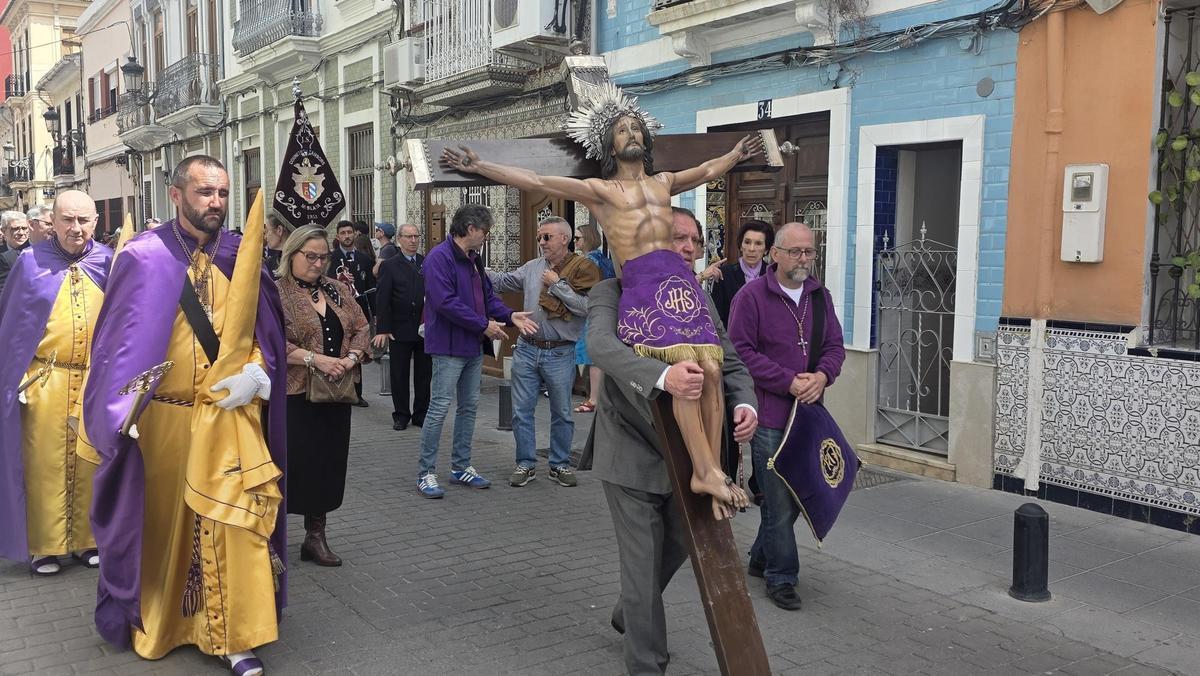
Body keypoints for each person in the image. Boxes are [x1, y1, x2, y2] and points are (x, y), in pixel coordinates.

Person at [442, 84, 760, 519]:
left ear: (645, 140)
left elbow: (707, 171)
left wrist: (735, 156)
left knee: (710, 365)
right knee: (685, 370)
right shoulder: (600, 190)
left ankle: (712, 468)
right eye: (622, 129)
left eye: (636, 128)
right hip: (641, 285)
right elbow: (535, 180)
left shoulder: (664, 182)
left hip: (675, 279)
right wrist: (481, 166)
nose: (630, 132)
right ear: (610, 143)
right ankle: (702, 469)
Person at [84, 155, 287, 676]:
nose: (216, 203)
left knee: (231, 527)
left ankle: (233, 636)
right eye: (204, 192)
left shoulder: (243, 254)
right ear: (176, 196)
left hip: (229, 419)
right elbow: (115, 346)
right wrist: (117, 414)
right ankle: (165, 623)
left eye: (222, 193)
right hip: (166, 425)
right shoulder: (144, 258)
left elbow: (264, 336)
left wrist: (258, 376)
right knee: (163, 530)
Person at [585, 208, 758, 675]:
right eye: (674, 238)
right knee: (641, 563)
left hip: (690, 459)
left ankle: (629, 612)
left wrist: (746, 405)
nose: (684, 247)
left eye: (693, 241)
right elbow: (601, 347)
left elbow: (731, 362)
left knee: (678, 547)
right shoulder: (612, 290)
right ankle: (647, 663)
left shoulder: (699, 297)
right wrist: (663, 375)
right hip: (631, 452)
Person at [728, 222, 845, 612]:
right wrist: (787, 381)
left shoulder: (820, 296)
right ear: (774, 254)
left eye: (809, 252)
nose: (803, 259)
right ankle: (782, 576)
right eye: (795, 251)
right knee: (779, 500)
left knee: (794, 498)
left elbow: (834, 346)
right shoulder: (752, 296)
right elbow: (740, 352)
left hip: (808, 417)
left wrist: (823, 375)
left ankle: (762, 557)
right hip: (770, 415)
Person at [0, 191, 111, 576]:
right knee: (43, 464)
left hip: (93, 380)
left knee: (89, 462)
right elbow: (12, 327)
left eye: (83, 220)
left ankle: (86, 541)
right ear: (51, 221)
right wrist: (16, 379)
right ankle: (44, 547)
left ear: (95, 222)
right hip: (45, 379)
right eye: (67, 220)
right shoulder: (30, 263)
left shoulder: (108, 262)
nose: (75, 228)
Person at [416, 204, 537, 498]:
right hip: (447, 346)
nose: (486, 236)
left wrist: (510, 316)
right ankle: (426, 472)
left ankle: (460, 467)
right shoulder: (438, 258)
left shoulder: (473, 258)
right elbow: (445, 303)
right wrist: (483, 324)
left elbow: (487, 297)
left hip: (470, 344)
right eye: (484, 231)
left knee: (469, 407)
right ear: (471, 228)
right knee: (439, 408)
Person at [277, 226, 370, 567]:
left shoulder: (338, 289)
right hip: (294, 396)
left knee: (327, 466)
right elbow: (267, 342)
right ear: (292, 254)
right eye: (310, 256)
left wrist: (350, 359)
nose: (317, 264)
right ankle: (273, 542)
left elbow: (362, 328)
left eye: (323, 257)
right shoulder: (276, 293)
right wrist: (315, 359)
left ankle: (315, 537)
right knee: (291, 467)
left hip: (336, 394)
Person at [488, 217, 599, 488]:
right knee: (521, 411)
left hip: (560, 352)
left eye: (547, 237)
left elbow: (587, 307)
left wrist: (558, 284)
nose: (541, 243)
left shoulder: (583, 268)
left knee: (562, 412)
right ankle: (526, 464)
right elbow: (503, 282)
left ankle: (559, 464)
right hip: (527, 349)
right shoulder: (532, 267)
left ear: (565, 238)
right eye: (539, 237)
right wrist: (474, 265)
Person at [372, 223, 430, 431]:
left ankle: (421, 413)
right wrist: (383, 329)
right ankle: (401, 414)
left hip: (424, 329)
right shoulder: (390, 264)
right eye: (409, 237)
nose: (413, 241)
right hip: (399, 328)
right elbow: (383, 299)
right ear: (399, 239)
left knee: (424, 374)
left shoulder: (426, 262)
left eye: (416, 236)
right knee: (399, 374)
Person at [572, 222, 615, 413]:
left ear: (587, 238)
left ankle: (593, 398)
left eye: (578, 238)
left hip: (591, 309)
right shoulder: (604, 259)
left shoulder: (588, 261)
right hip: (606, 308)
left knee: (592, 356)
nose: (575, 241)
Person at [707, 219, 773, 327]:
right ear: (741, 246)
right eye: (747, 242)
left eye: (758, 244)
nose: (751, 249)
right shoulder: (726, 273)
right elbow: (717, 317)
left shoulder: (772, 275)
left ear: (766, 249)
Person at [0, 211, 31, 295]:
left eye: (24, 228)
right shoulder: (2, 255)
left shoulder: (35, 251)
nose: (21, 233)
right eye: (15, 229)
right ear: (4, 231)